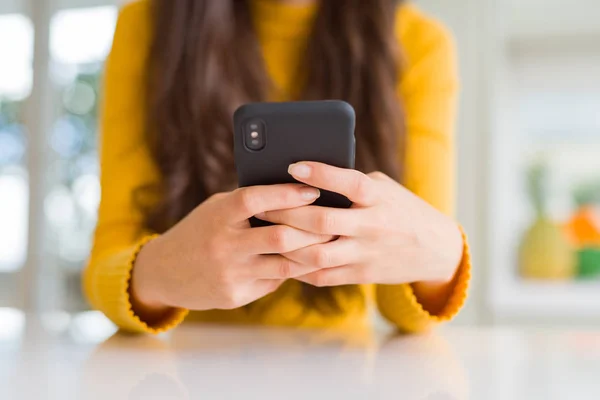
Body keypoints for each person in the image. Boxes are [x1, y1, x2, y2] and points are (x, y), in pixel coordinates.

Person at [84, 0, 471, 334]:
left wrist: (443, 257)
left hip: (343, 374)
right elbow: (107, 264)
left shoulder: (419, 44)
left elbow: (407, 310)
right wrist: (166, 271)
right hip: (193, 371)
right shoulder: (148, 27)